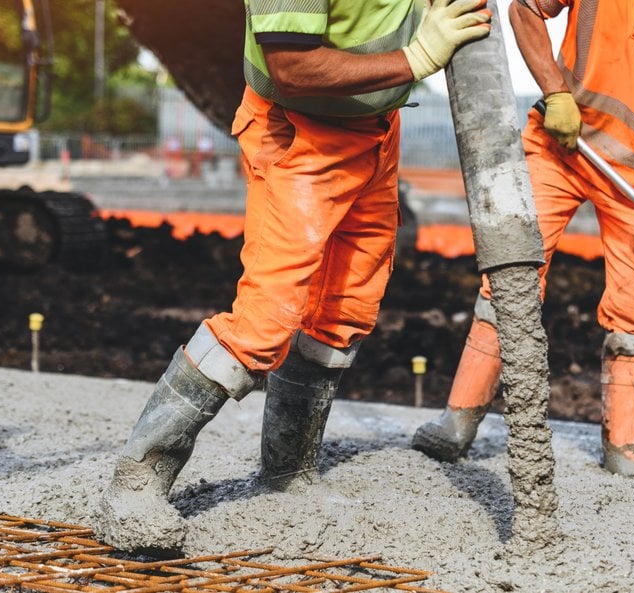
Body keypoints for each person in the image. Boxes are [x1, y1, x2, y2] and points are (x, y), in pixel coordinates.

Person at [98, 0, 493, 554]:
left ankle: (287, 473)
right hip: (299, 132)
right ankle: (137, 484)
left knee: (345, 311)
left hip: (375, 131)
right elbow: (294, 68)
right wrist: (418, 55)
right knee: (265, 319)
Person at [412, 0, 634, 477]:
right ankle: (458, 419)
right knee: (512, 275)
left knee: (633, 310)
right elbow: (525, 9)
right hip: (562, 145)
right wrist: (555, 92)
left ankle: (623, 446)